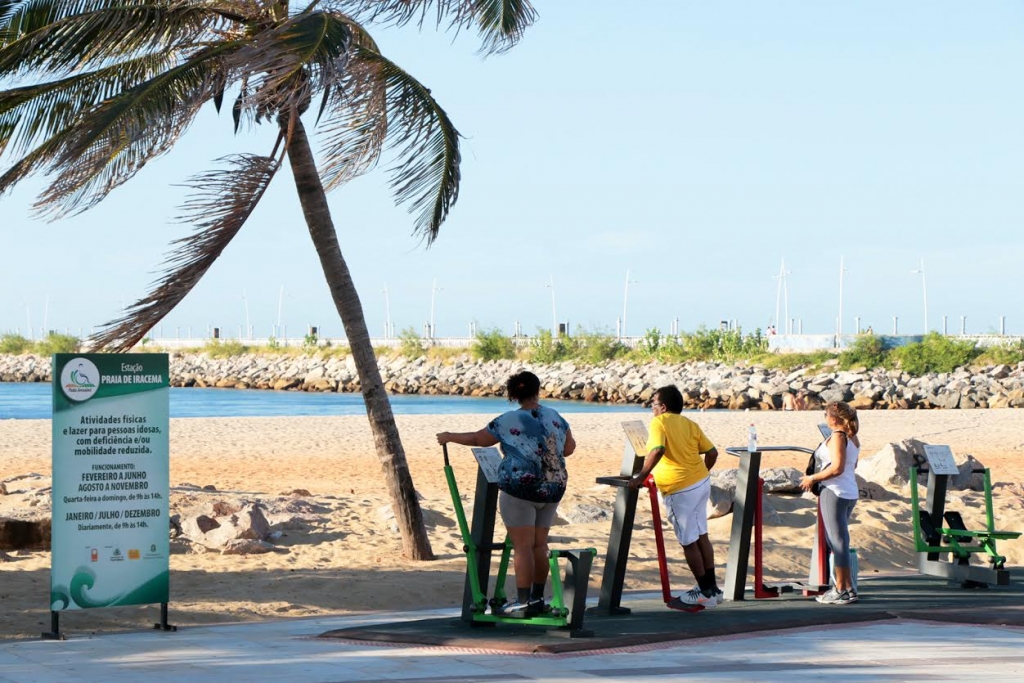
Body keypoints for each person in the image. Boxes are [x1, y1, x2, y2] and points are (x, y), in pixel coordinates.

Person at [436, 371, 575, 617]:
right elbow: (569, 448)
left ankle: (523, 602)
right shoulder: (555, 416)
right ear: (537, 389)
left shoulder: (508, 419)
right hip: (553, 487)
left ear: (513, 395)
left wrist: (449, 437)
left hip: (521, 488)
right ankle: (537, 598)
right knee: (540, 545)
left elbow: (480, 439)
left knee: (522, 547)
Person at [628, 385, 721, 609]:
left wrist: (640, 476)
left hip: (679, 489)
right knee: (701, 535)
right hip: (701, 483)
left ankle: (703, 591)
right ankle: (713, 588)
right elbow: (712, 452)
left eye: (654, 404)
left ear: (663, 407)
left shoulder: (659, 422)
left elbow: (657, 450)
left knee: (688, 541)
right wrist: (702, 473)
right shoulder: (690, 424)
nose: (652, 409)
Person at [800, 401, 861, 605]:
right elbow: (851, 464)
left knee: (838, 541)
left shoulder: (837, 436)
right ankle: (848, 587)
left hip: (834, 492)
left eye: (826, 415)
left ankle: (841, 588)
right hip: (849, 491)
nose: (824, 418)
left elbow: (837, 468)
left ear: (833, 419)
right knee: (837, 539)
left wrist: (813, 478)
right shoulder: (852, 436)